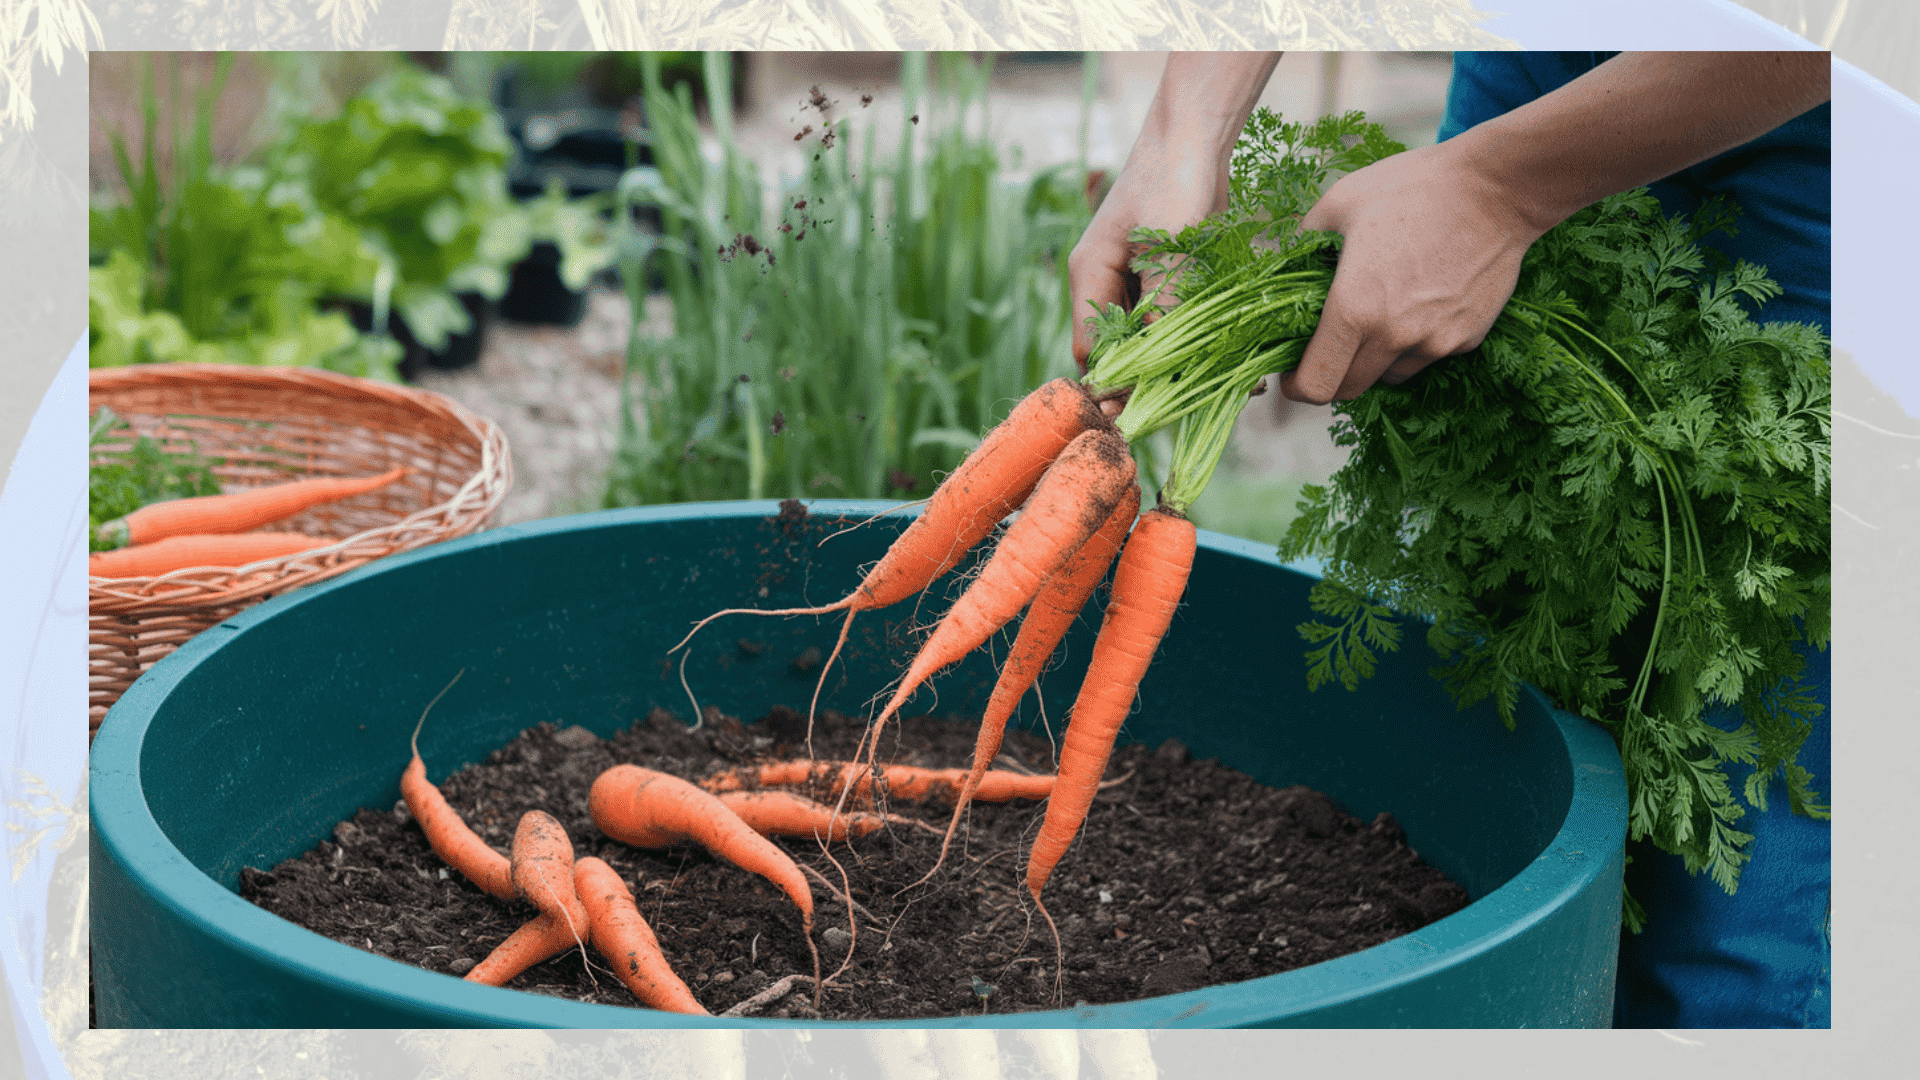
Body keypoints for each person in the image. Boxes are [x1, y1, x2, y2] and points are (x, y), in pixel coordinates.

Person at [1068, 51, 1831, 1029]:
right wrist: (1185, 127)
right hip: (1546, 55)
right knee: (1514, 766)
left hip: (1810, 106)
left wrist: (1496, 189)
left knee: (1717, 901)